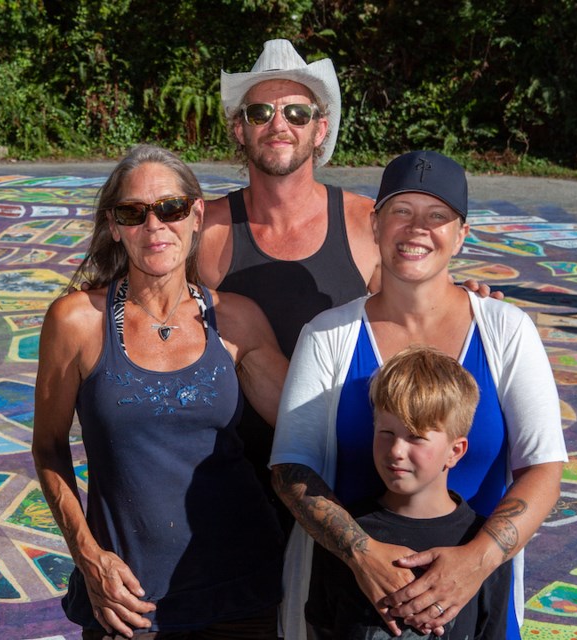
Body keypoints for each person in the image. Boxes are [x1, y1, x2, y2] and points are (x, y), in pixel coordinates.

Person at [270, 150, 567, 640]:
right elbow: (291, 469)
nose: (416, 228)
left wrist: (474, 563)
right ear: (376, 223)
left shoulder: (507, 331)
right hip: (348, 602)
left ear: (461, 234)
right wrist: (361, 555)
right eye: (401, 212)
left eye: (437, 216)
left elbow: (545, 468)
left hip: (473, 607)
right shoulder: (327, 335)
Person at [32, 144, 289, 639]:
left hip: (240, 590)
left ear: (196, 215)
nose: (154, 227)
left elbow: (310, 423)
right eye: (133, 212)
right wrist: (88, 556)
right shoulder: (77, 322)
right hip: (127, 599)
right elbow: (47, 448)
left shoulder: (237, 320)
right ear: (114, 226)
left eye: (170, 208)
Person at [198, 38, 380, 539]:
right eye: (261, 111)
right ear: (240, 127)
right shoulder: (205, 229)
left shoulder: (369, 224)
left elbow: (419, 330)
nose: (280, 124)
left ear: (320, 128)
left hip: (345, 485)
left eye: (297, 112)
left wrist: (475, 302)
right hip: (228, 492)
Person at [305, 345, 512, 639]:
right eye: (386, 433)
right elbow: (320, 624)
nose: (396, 451)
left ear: (455, 451)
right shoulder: (343, 529)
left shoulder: (481, 542)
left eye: (416, 437)